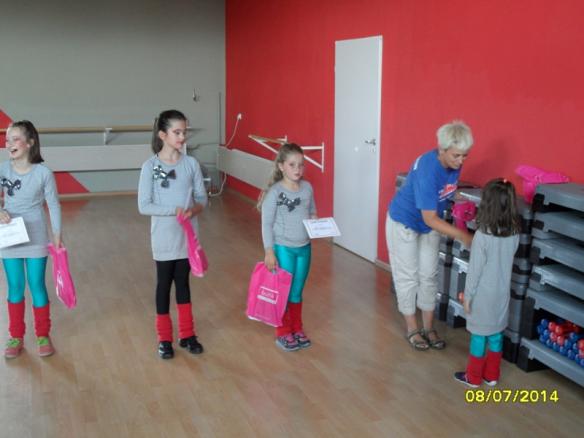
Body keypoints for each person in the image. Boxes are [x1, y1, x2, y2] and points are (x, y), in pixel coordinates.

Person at [386, 120, 474, 351]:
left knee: (429, 275)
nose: (461, 161)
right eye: (456, 155)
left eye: (465, 155)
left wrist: (457, 198)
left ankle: (428, 327)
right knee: (408, 276)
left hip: (429, 222)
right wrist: (463, 236)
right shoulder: (428, 169)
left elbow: (444, 190)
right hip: (404, 222)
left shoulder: (453, 163)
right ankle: (412, 329)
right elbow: (430, 218)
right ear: (442, 149)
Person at [138, 110, 207, 359]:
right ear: (162, 135)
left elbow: (202, 199)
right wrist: (173, 210)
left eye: (184, 132)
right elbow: (144, 205)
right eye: (176, 132)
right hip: (163, 238)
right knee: (163, 285)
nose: (182, 136)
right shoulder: (151, 167)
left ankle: (187, 334)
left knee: (183, 284)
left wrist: (193, 210)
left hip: (186, 239)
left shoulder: (191, 164)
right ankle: (164, 338)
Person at [0, 120, 62, 358]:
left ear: (30, 143)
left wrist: (57, 235)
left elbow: (53, 205)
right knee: (15, 286)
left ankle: (43, 335)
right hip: (10, 236)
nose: (9, 143)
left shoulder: (43, 173)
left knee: (36, 284)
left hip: (36, 236)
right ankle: (16, 336)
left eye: (15, 139)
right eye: (7, 139)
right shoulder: (3, 169)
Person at [454, 179, 520, 387]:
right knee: (496, 334)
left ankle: (473, 377)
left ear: (487, 205)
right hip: (502, 293)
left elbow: (474, 271)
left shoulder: (482, 236)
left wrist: (468, 297)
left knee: (479, 336)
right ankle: (491, 375)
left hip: (482, 295)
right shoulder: (514, 234)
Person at [258, 143, 317, 352]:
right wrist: (269, 251)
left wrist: (315, 221)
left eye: (301, 164)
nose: (297, 169)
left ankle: (297, 328)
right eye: (292, 165)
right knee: (284, 291)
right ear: (281, 166)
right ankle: (283, 331)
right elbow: (266, 224)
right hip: (283, 248)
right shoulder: (275, 192)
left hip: (304, 249)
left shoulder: (307, 188)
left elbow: (312, 211)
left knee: (297, 292)